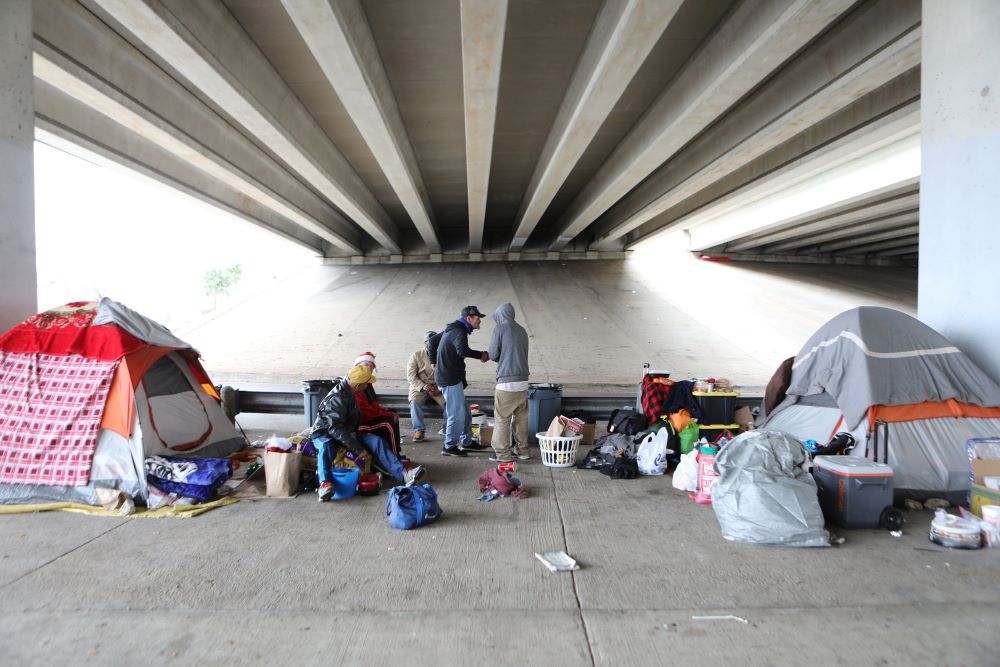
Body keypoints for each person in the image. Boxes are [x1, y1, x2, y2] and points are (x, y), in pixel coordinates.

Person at [310, 364, 424, 501]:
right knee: (327, 446)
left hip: (346, 432)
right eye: (367, 383)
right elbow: (335, 429)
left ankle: (404, 475)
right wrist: (358, 449)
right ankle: (324, 484)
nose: (368, 386)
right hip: (325, 433)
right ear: (359, 385)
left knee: (376, 441)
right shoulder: (337, 398)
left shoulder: (351, 391)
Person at [430, 305, 489, 457]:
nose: (480, 322)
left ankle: (467, 442)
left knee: (465, 413)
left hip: (449, 376)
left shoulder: (452, 328)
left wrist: (433, 361)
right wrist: (481, 355)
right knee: (456, 414)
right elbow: (462, 350)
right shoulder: (459, 331)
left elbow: (432, 341)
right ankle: (449, 447)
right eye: (478, 319)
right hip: (449, 379)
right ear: (468, 318)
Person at [488, 302, 531, 462]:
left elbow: (493, 354)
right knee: (521, 419)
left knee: (502, 418)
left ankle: (503, 454)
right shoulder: (522, 330)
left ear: (500, 315)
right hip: (523, 381)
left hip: (506, 381)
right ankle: (523, 451)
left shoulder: (499, 329)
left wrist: (502, 358)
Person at [352, 351, 402, 454]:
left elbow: (372, 404)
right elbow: (365, 411)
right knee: (388, 422)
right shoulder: (357, 386)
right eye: (366, 366)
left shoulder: (366, 383)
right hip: (359, 422)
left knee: (392, 413)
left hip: (365, 415)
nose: (369, 369)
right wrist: (385, 413)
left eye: (370, 367)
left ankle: (396, 451)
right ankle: (394, 455)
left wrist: (385, 411)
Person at [407, 331, 445, 442]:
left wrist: (439, 388)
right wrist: (423, 386)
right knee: (414, 402)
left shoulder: (443, 354)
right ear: (425, 343)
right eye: (429, 342)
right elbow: (411, 376)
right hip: (420, 385)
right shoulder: (416, 355)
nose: (432, 345)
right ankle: (419, 430)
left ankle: (447, 428)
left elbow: (448, 374)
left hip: (437, 386)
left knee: (449, 402)